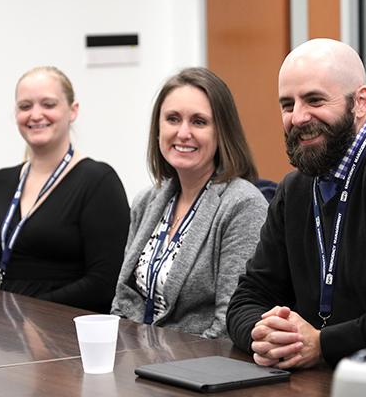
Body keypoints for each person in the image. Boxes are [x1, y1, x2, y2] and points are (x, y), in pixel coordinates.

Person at [226, 38, 366, 369]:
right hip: (316, 381)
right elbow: (246, 299)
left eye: (314, 100)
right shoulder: (296, 188)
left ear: (360, 102)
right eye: (287, 105)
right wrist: (264, 334)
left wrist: (323, 343)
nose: (298, 117)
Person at [111, 67, 268, 338]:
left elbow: (229, 324)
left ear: (222, 132)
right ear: (158, 129)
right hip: (136, 360)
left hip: (198, 368)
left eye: (199, 122)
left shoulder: (243, 206)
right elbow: (123, 302)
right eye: (173, 119)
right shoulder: (146, 201)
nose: (183, 133)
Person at [0, 66, 130, 313]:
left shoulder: (98, 182)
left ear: (72, 111)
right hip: (1, 332)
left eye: (48, 104)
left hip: (58, 333)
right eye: (25, 106)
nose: (35, 115)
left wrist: (30, 313)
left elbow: (104, 283)